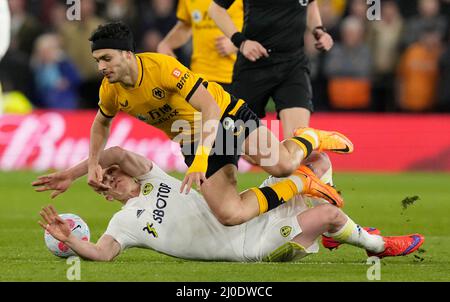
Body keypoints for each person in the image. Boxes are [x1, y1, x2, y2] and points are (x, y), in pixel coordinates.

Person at [86, 22, 353, 226]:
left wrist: (201, 159)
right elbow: (100, 124)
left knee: (282, 165)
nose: (101, 66)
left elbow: (210, 107)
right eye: (97, 60)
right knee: (229, 215)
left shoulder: (163, 68)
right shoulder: (110, 90)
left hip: (225, 114)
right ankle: (299, 185)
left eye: (106, 58)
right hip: (190, 138)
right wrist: (92, 165)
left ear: (128, 54)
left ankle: (309, 139)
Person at [33, 146, 425, 262]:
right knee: (328, 213)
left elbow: (116, 150)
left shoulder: (155, 179)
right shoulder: (124, 224)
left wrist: (76, 170)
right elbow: (102, 254)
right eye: (105, 186)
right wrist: (71, 241)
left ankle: (335, 236)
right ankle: (377, 246)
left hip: (253, 211)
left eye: (112, 174)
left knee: (318, 162)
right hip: (252, 245)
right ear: (106, 196)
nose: (112, 182)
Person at [208, 0, 334, 139]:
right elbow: (215, 9)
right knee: (235, 143)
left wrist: (318, 30)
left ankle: (296, 157)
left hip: (293, 64)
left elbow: (310, 3)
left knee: (297, 139)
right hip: (254, 65)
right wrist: (241, 42)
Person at [157, 0, 243, 92]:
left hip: (234, 76)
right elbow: (185, 26)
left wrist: (237, 41)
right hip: (200, 76)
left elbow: (257, 25)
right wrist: (166, 44)